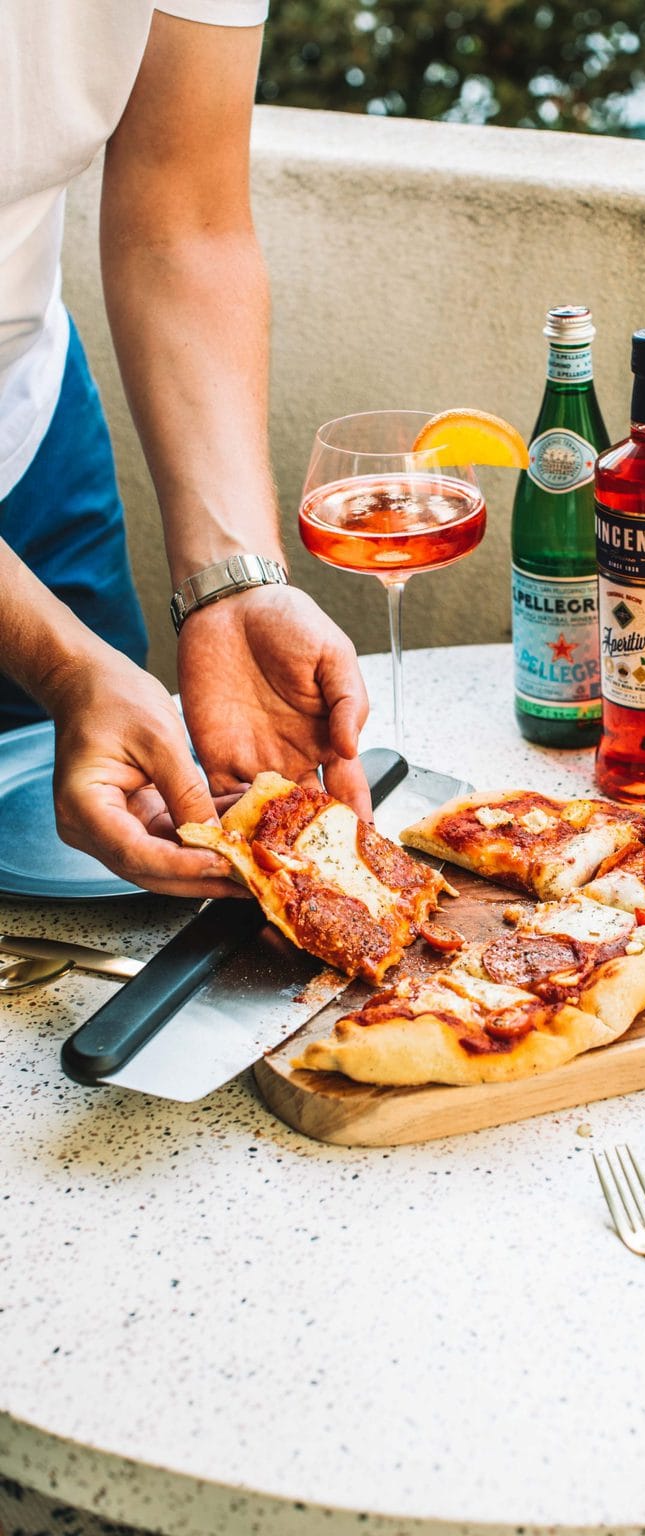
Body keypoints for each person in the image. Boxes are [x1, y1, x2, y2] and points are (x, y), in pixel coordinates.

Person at [0, 1, 372, 902]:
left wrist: (235, 581)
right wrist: (62, 660)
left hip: (29, 429)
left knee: (110, 893)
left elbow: (184, 218)